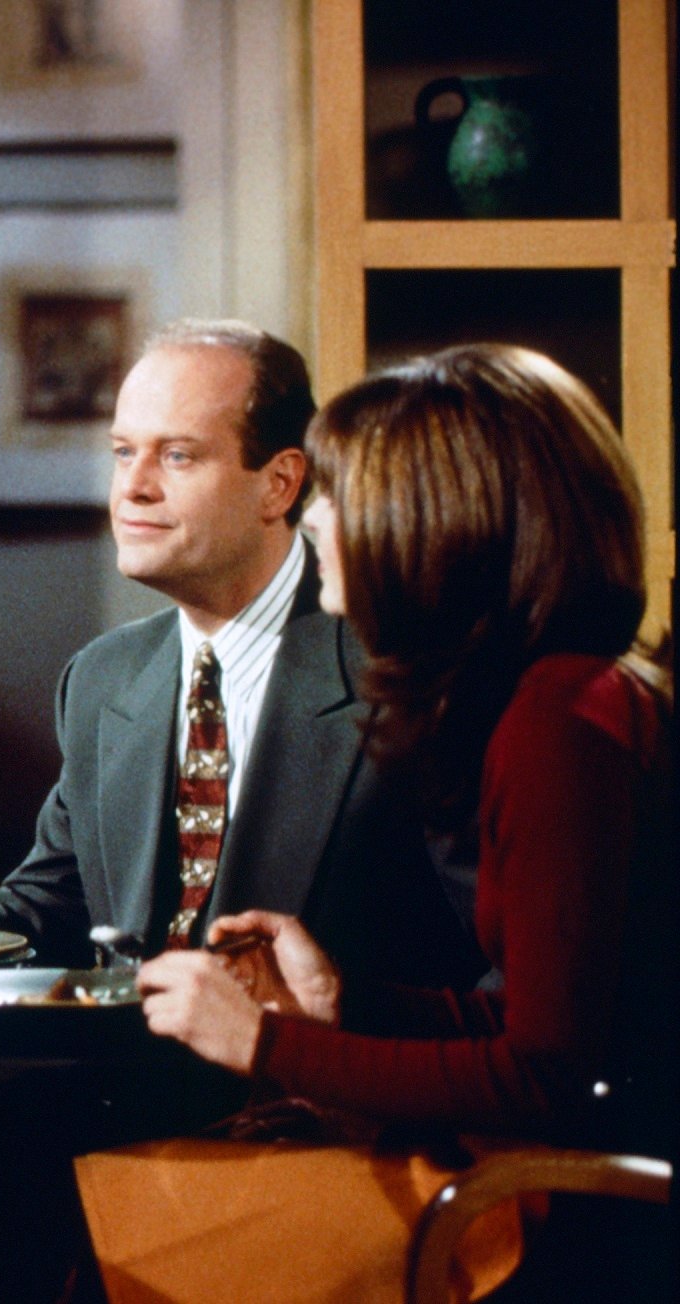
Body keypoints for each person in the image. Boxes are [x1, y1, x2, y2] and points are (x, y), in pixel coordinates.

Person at [0, 320, 482, 1302]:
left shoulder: (397, 674)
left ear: (279, 484)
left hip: (323, 1106)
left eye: (176, 456)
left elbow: (495, 979)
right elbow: (43, 911)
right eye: (121, 452)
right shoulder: (109, 677)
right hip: (136, 1081)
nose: (132, 488)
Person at [114, 344, 672, 1299]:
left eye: (343, 493)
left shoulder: (556, 724)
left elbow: (547, 1078)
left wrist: (265, 1045)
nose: (315, 517)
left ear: (441, 519)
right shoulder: (562, 695)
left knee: (105, 1232)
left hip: (572, 1206)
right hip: (551, 1168)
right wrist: (344, 1004)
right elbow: (548, 1018)